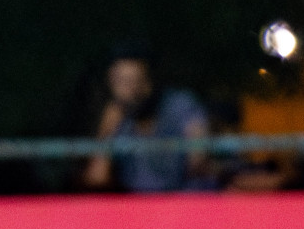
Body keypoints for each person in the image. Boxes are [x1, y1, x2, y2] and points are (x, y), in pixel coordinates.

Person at [83, 48, 213, 192]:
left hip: (183, 201)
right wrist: (106, 133)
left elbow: (198, 161)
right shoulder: (115, 118)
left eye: (137, 79)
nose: (132, 90)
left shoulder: (180, 105)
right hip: (136, 207)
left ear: (150, 80)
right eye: (122, 82)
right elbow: (97, 179)